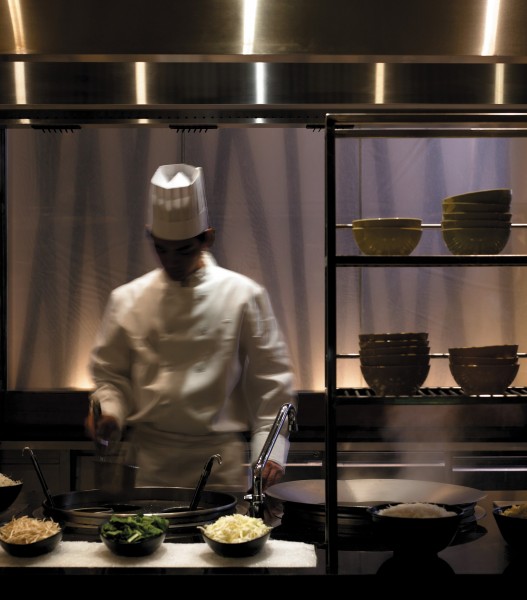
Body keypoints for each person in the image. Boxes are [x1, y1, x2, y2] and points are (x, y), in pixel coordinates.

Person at [84, 163, 297, 494]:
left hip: (219, 465)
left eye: (184, 250)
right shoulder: (127, 299)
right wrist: (110, 413)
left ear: (207, 238)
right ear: (151, 236)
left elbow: (271, 384)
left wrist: (271, 452)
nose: (172, 261)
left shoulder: (243, 295)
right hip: (150, 466)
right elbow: (111, 377)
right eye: (162, 249)